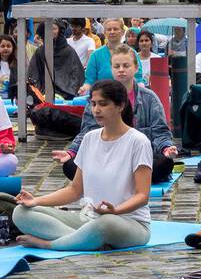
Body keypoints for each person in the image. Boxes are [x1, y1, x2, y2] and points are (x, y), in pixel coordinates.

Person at [13, 80, 153, 250]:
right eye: (93, 104)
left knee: (105, 223)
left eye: (103, 104)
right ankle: (86, 240)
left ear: (120, 106)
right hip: (89, 219)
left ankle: (50, 244)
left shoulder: (138, 142)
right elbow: (75, 190)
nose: (96, 110)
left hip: (126, 222)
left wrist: (115, 211)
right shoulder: (90, 138)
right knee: (20, 213)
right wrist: (35, 201)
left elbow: (142, 195)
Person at [54, 46, 178, 184]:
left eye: (126, 66)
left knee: (164, 163)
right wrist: (72, 152)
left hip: (138, 158)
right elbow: (87, 133)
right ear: (111, 69)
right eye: (116, 66)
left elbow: (160, 131)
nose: (121, 70)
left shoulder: (150, 98)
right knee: (70, 166)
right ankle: (121, 178)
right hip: (105, 157)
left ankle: (112, 178)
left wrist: (166, 148)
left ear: (136, 68)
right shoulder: (97, 97)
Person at [80, 19, 140, 92]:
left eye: (115, 29)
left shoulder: (131, 53)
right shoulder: (95, 55)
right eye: (109, 29)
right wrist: (84, 89)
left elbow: (138, 78)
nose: (112, 32)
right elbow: (89, 81)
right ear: (104, 33)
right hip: (103, 97)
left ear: (123, 32)